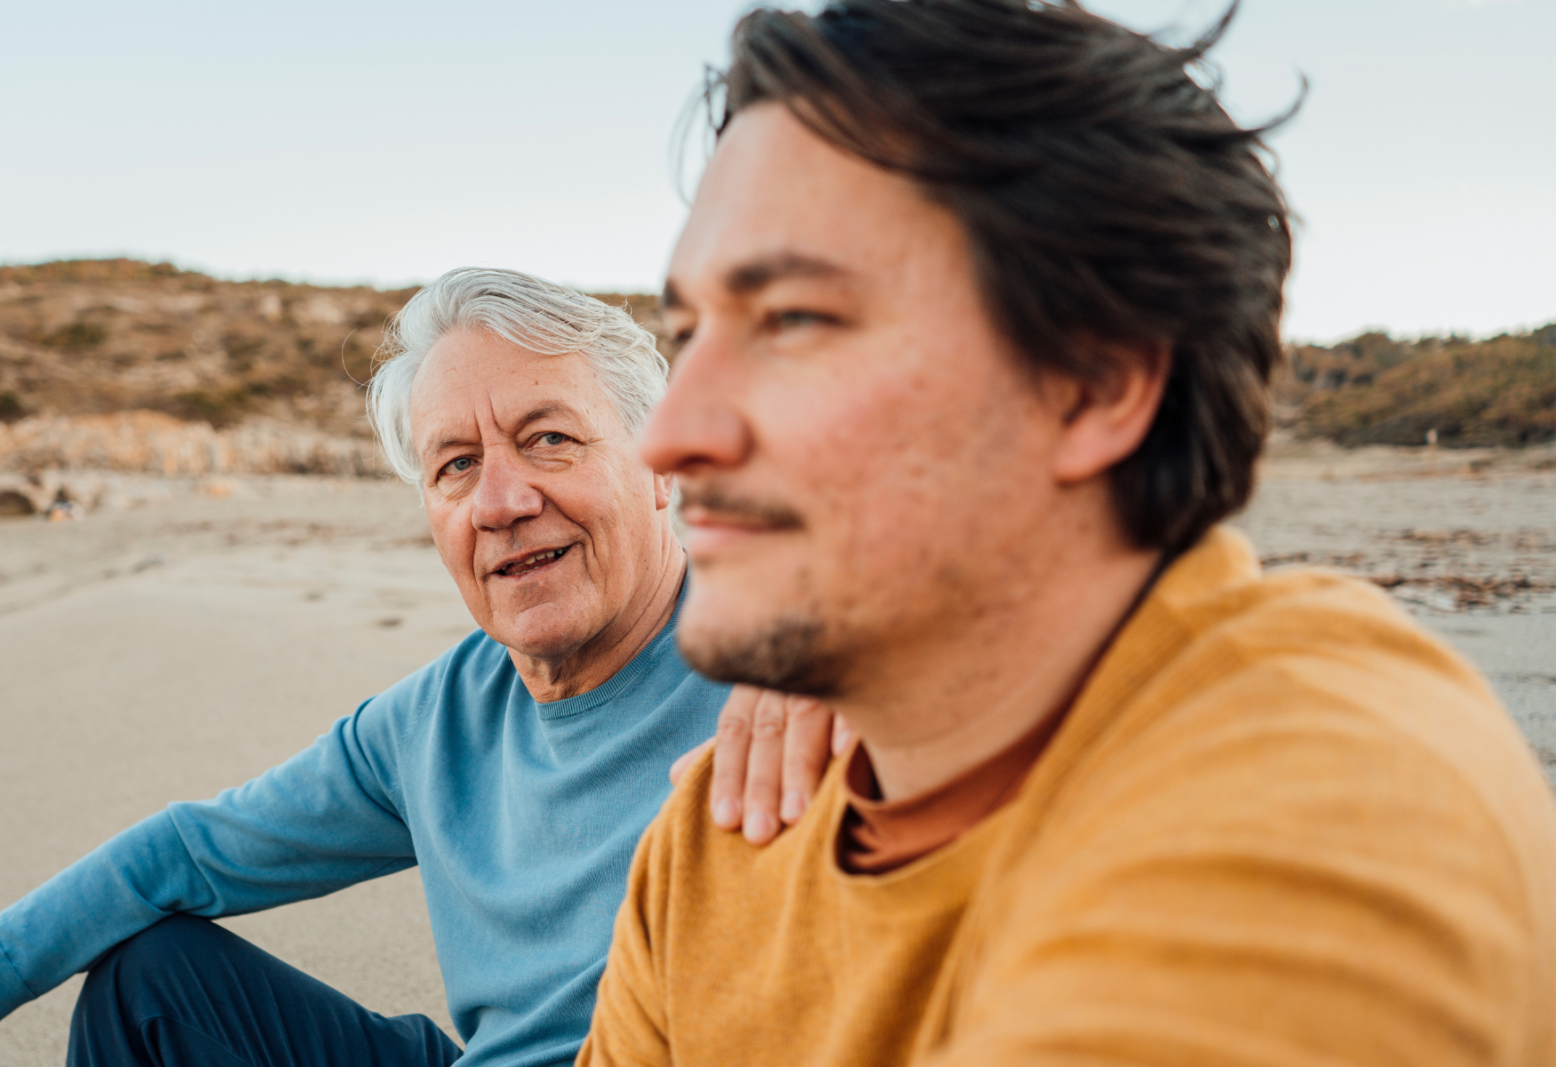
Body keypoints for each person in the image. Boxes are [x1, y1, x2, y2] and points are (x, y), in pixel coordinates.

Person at [577, 3, 1556, 1066]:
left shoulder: (1320, 809)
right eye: (686, 334)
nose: (667, 437)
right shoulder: (711, 844)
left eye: (795, 319)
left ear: (1095, 384)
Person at [0, 268, 837, 1067]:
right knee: (154, 982)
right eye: (457, 465)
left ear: (661, 469)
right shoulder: (431, 726)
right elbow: (190, 851)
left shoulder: (798, 657)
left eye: (550, 439)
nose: (502, 501)